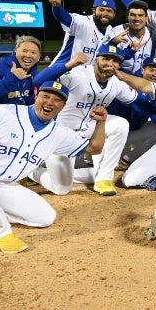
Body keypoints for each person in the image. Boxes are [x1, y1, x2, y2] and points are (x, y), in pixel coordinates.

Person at [0, 81, 107, 253]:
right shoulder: (3, 112)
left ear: (63, 106)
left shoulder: (59, 133)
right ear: (36, 96)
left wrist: (101, 123)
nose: (50, 102)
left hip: (3, 186)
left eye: (57, 100)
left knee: (45, 217)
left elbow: (95, 148)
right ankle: (1, 234)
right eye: (46, 96)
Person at [31, 45, 138, 196]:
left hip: (90, 129)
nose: (110, 63)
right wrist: (67, 65)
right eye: (106, 58)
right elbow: (38, 80)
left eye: (115, 61)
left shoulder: (117, 82)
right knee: (61, 188)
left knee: (120, 124)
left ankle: (103, 179)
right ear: (96, 59)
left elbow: (138, 97)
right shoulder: (77, 73)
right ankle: (30, 170)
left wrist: (135, 80)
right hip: (62, 134)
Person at [109, 55, 156, 170]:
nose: (154, 74)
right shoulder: (127, 81)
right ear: (142, 70)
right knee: (103, 165)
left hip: (133, 133)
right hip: (113, 134)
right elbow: (141, 101)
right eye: (151, 70)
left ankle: (128, 159)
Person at [45, 0, 117, 67]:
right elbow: (64, 17)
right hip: (63, 72)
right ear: (94, 11)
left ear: (114, 14)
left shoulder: (110, 30)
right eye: (101, 9)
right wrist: (57, 7)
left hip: (86, 76)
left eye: (109, 11)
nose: (105, 13)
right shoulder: (82, 22)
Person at [108, 0, 154, 75]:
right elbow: (103, 55)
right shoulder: (116, 31)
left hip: (142, 80)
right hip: (119, 78)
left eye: (140, 15)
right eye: (133, 15)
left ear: (146, 18)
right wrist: (113, 42)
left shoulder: (153, 35)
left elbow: (152, 62)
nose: (137, 19)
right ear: (127, 17)